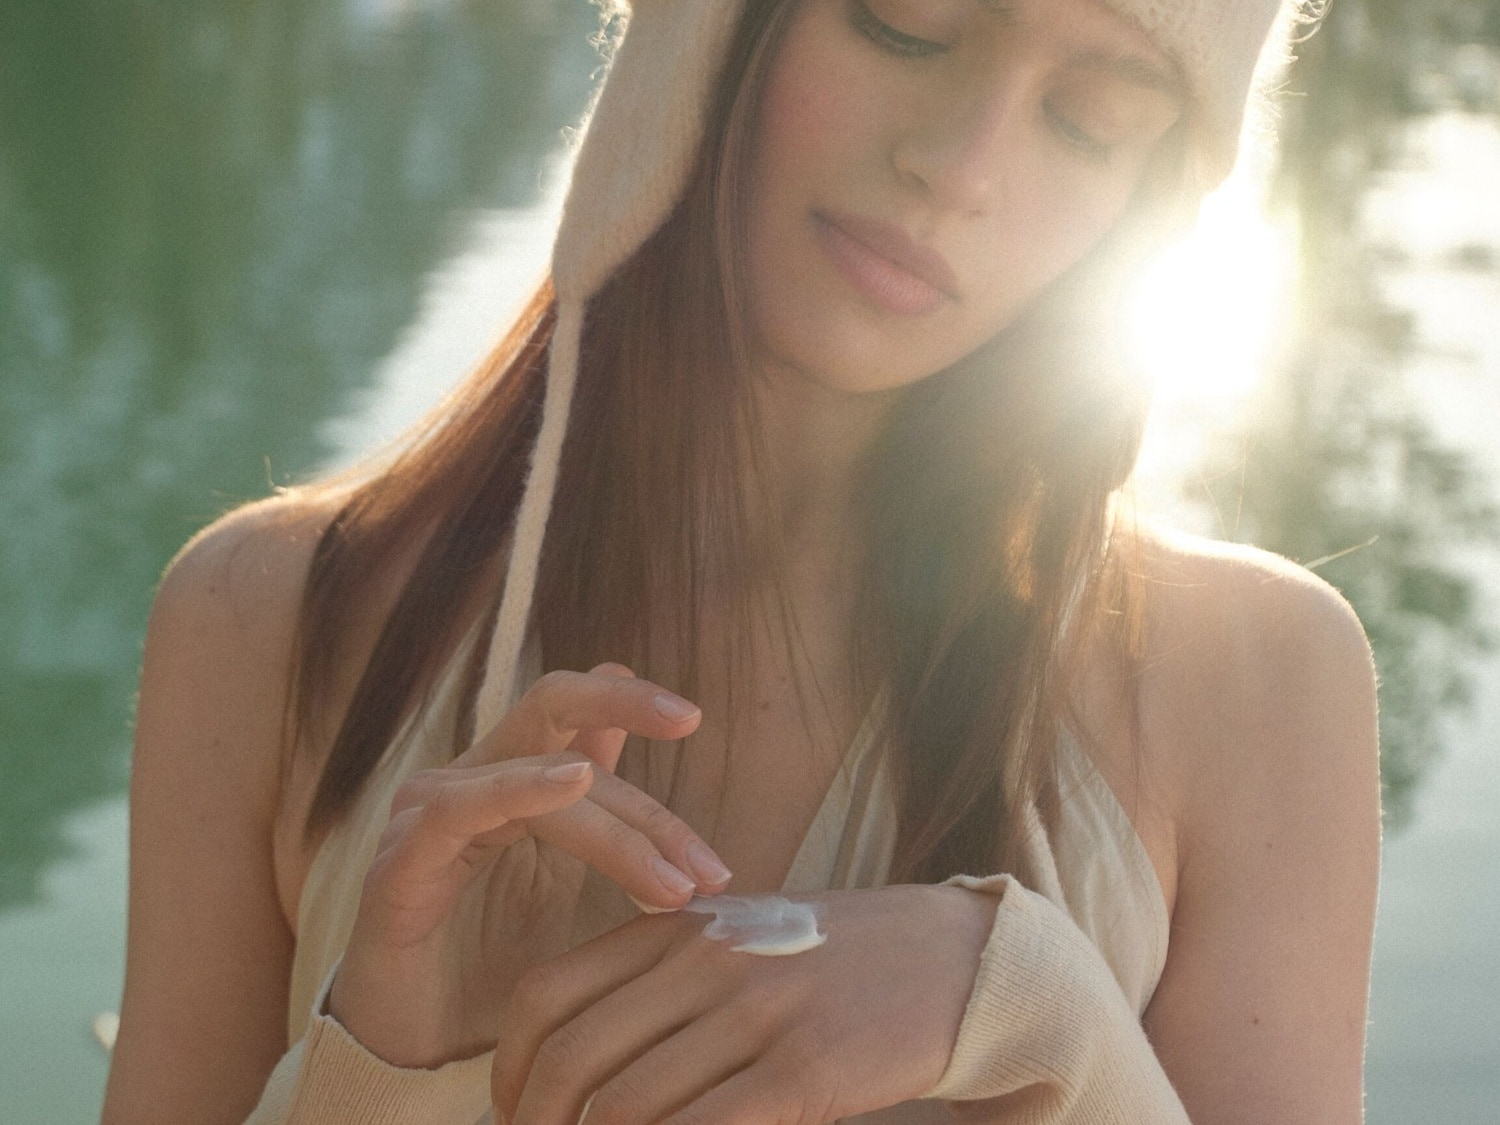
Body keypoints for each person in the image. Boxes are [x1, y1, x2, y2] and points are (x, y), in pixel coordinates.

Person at [102, 0, 1382, 1121]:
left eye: (1090, 122)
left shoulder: (1255, 681)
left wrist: (1036, 1014)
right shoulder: (269, 619)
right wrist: (384, 1062)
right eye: (906, 25)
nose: (959, 167)